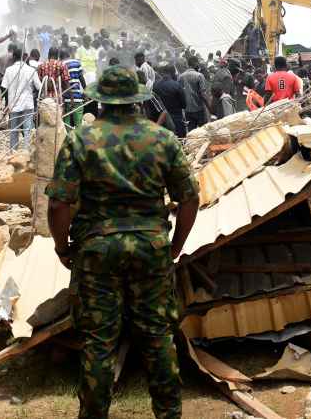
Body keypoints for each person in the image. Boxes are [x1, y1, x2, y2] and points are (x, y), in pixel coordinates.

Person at [46, 66, 200, 419]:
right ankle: (168, 414)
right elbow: (189, 198)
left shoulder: (80, 139)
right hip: (151, 249)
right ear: (135, 99)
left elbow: (59, 204)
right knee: (158, 336)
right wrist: (174, 246)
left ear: (100, 100)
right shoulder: (162, 139)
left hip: (97, 251)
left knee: (98, 343)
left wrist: (62, 247)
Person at [1, 46, 41, 150]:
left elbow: (4, 88)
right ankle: (27, 153)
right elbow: (39, 87)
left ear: (14, 57)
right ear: (24, 57)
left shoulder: (9, 70)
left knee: (14, 131)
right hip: (28, 105)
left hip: (13, 105)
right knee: (28, 130)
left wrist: (6, 104)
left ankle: (13, 153)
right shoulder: (31, 70)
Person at [153, 63, 187, 137]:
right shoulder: (177, 85)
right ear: (172, 73)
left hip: (162, 121)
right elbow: (184, 105)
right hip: (177, 119)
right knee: (180, 141)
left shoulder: (155, 86)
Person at [179, 57, 210, 131]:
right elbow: (203, 94)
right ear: (195, 63)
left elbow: (180, 93)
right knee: (204, 131)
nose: (199, 64)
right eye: (198, 63)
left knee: (192, 133)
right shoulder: (199, 75)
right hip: (199, 109)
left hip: (187, 110)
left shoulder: (181, 76)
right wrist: (209, 107)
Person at [62, 48, 86, 127]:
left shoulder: (61, 64)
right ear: (69, 55)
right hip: (77, 98)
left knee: (66, 124)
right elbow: (81, 79)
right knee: (78, 123)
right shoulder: (77, 63)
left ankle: (67, 138)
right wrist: (86, 92)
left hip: (65, 99)